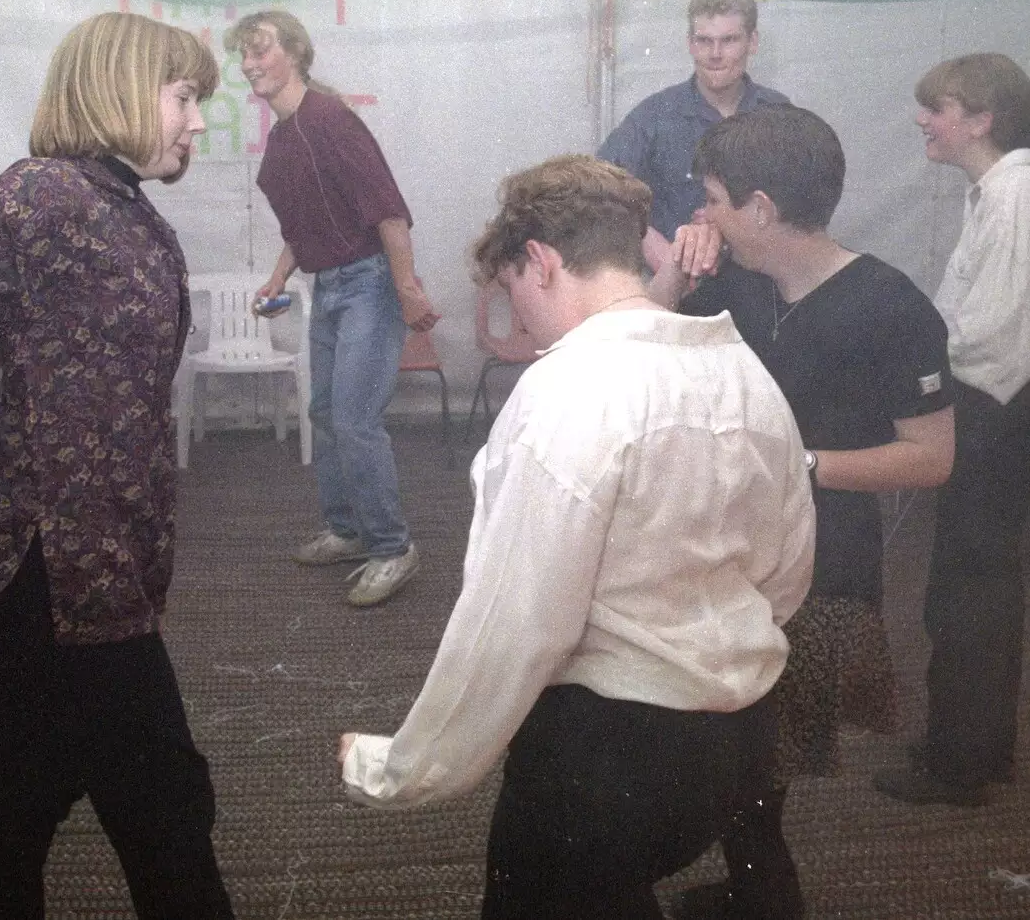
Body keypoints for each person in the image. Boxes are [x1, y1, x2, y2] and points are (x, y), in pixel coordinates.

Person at [337, 154, 815, 919]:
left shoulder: (566, 391)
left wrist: (397, 768)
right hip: (740, 745)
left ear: (542, 260)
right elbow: (785, 575)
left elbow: (517, 624)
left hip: (606, 760)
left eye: (516, 294)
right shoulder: (743, 371)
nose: (520, 321)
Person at [0, 12, 234, 919]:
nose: (197, 122)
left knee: (34, 778)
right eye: (184, 96)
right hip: (67, 561)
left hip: (94, 550)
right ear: (116, 87)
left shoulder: (116, 202)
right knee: (161, 800)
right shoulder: (48, 195)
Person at [668, 105, 955, 917]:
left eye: (714, 198)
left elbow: (932, 459)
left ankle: (768, 899)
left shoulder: (892, 306)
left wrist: (799, 466)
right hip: (731, 553)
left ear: (760, 209)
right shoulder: (735, 280)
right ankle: (758, 888)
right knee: (742, 749)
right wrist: (679, 266)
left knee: (763, 754)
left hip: (823, 567)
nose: (702, 213)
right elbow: (645, 334)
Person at [873, 53, 1030, 808]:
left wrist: (911, 364)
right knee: (977, 588)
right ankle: (972, 746)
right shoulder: (1009, 189)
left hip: (996, 418)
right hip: (1007, 415)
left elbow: (987, 336)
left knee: (969, 594)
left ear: (981, 121)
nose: (923, 120)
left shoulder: (1013, 197)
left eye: (938, 107)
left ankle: (960, 765)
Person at [224, 10, 438, 608]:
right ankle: (347, 530)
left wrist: (407, 288)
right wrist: (276, 276)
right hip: (328, 286)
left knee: (355, 418)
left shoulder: (330, 118)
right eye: (243, 54)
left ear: (294, 50)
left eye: (259, 49)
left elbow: (388, 211)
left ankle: (393, 549)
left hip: (369, 283)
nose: (249, 63)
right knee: (325, 412)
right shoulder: (287, 134)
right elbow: (307, 224)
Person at [598, 0, 788, 291]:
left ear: (752, 42)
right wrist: (653, 246)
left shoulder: (779, 115)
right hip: (677, 294)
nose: (715, 53)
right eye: (704, 40)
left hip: (763, 290)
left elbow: (803, 210)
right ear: (689, 43)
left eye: (729, 40)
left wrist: (728, 225)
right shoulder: (656, 115)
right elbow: (596, 187)